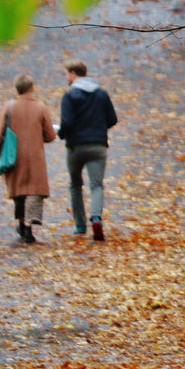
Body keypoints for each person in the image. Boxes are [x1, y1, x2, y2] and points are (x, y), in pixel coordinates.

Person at [58, 58, 119, 241]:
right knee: (97, 185)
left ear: (74, 74)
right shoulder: (102, 94)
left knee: (76, 185)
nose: (66, 78)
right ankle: (96, 218)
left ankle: (79, 226)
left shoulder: (69, 96)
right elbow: (113, 119)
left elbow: (66, 123)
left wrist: (61, 134)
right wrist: (98, 128)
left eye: (67, 74)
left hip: (76, 147)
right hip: (98, 146)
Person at [0, 73, 56, 244]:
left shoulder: (9, 107)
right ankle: (29, 225)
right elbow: (50, 136)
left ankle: (21, 222)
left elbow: (0, 132)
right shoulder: (41, 107)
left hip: (14, 154)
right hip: (35, 155)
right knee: (33, 190)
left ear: (17, 89)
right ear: (32, 87)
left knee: (19, 189)